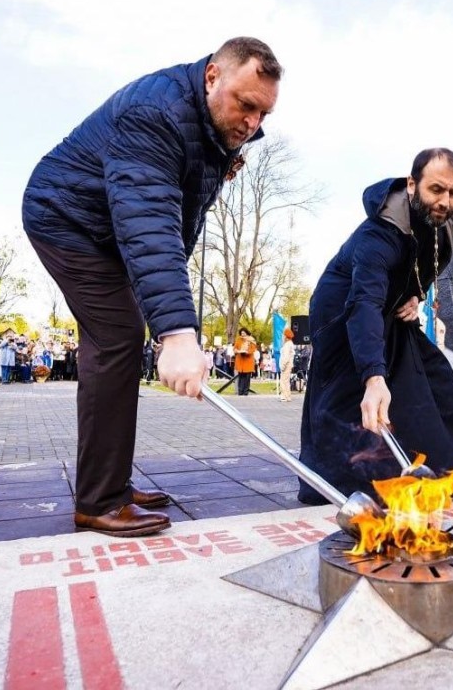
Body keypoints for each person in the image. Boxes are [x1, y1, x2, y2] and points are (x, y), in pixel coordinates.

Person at [22, 36, 282, 537]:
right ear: (212, 77)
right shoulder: (154, 112)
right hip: (67, 218)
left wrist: (162, 308)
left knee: (121, 336)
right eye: (245, 105)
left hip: (110, 230)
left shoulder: (215, 132)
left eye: (263, 115)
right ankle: (99, 499)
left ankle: (109, 484)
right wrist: (178, 330)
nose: (252, 124)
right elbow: (148, 219)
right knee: (117, 338)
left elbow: (179, 221)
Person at [297, 148, 453, 505]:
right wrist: (374, 377)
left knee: (429, 374)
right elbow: (363, 304)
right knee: (355, 391)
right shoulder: (379, 236)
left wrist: (416, 295)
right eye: (436, 190)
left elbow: (427, 266)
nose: (445, 201)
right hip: (344, 313)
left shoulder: (443, 224)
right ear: (411, 185)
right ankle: (339, 481)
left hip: (388, 307)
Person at [233, 327, 257, 395]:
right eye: (241, 333)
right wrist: (237, 351)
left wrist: (247, 352)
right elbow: (235, 348)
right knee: (240, 377)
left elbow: (253, 349)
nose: (242, 334)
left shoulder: (252, 340)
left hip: (248, 361)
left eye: (244, 333)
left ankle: (245, 392)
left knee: (247, 378)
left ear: (247, 333)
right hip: (240, 361)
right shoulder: (238, 339)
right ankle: (240, 391)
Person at [279, 328, 296, 401]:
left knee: (283, 381)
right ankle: (288, 396)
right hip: (289, 364)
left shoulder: (287, 345)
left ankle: (284, 396)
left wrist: (282, 366)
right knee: (286, 381)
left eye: (283, 335)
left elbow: (285, 357)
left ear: (285, 336)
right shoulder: (290, 344)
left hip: (286, 365)